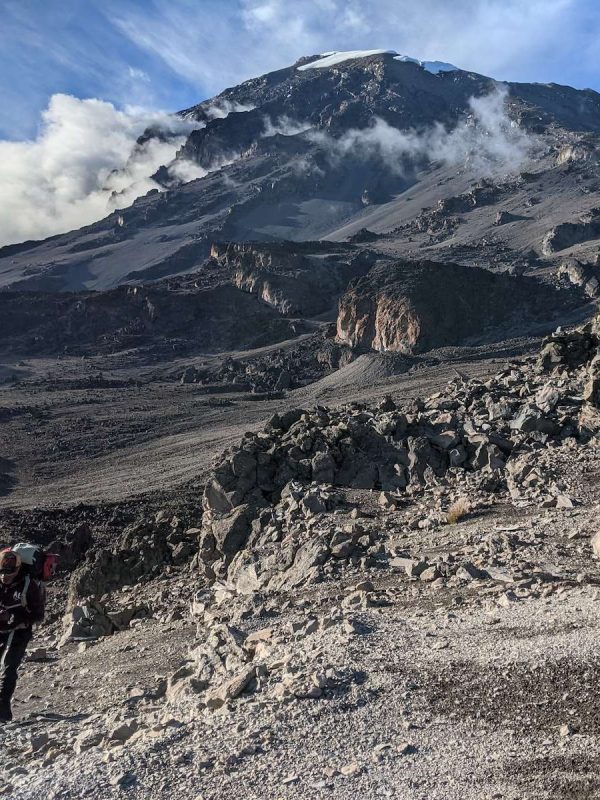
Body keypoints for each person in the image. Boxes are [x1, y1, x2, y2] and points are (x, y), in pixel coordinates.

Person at [0, 549, 45, 722]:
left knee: (9, 670)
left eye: (9, 572)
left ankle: (3, 714)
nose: (5, 576)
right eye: (2, 571)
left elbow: (38, 614)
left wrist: (14, 617)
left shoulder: (28, 585)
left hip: (19, 630)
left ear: (18, 569)